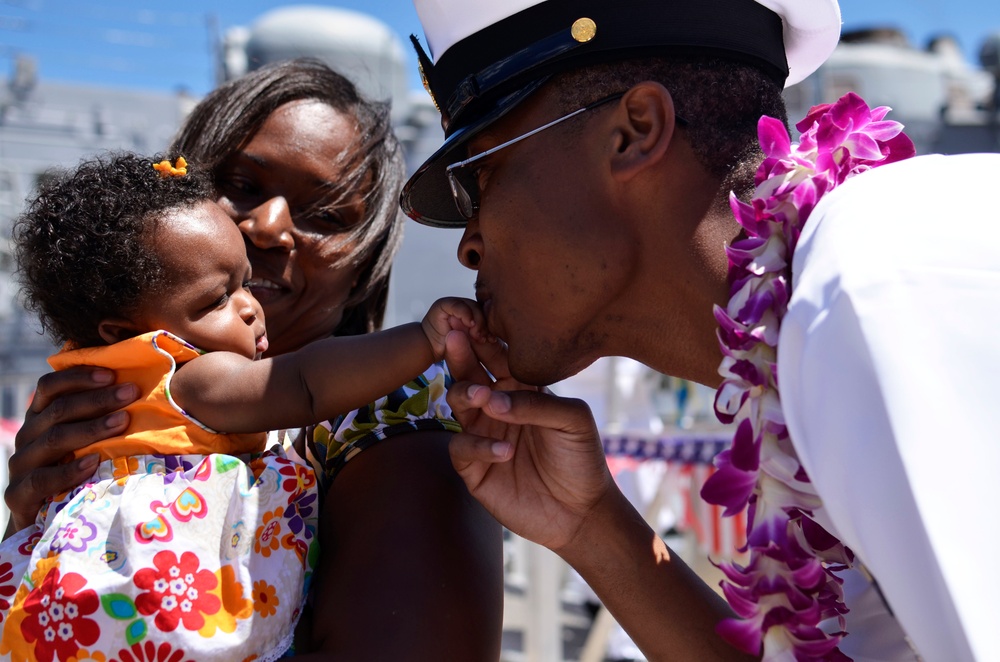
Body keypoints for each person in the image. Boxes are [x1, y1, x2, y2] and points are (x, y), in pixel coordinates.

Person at [400, 0, 999, 660]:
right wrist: (590, 527)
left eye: (479, 179)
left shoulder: (873, 295)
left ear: (634, 132)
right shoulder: (821, 327)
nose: (470, 244)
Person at [4, 59, 504, 659]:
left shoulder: (394, 412)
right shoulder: (108, 398)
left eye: (326, 215)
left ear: (363, 268)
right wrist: (36, 515)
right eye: (242, 185)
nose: (268, 228)